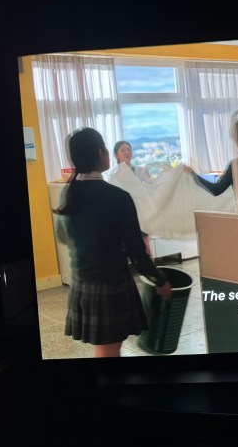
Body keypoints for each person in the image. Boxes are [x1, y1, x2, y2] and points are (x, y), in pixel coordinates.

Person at [54, 128, 172, 357]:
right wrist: (159, 279)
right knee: (109, 349)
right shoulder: (117, 197)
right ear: (101, 153)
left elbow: (62, 237)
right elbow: (137, 252)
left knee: (105, 346)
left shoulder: (68, 194)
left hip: (81, 281)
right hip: (110, 284)